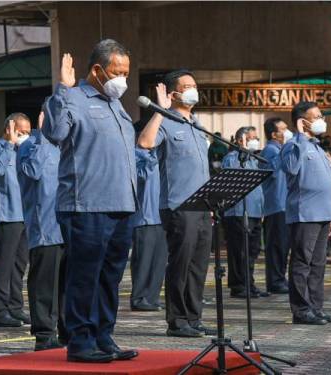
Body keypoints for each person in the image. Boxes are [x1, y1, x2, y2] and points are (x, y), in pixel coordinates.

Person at [42, 39, 138, 363]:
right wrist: (62, 91)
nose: (122, 79)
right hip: (86, 206)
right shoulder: (73, 98)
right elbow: (54, 133)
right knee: (84, 276)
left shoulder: (117, 105)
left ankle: (103, 336)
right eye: (117, 72)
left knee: (110, 277)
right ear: (97, 70)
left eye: (126, 72)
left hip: (122, 205)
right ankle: (80, 342)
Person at [138, 69, 215, 338]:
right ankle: (177, 321)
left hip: (203, 206)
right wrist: (160, 109)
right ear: (174, 94)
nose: (194, 89)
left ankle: (193, 318)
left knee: (198, 266)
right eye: (187, 86)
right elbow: (145, 142)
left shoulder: (196, 124)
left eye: (195, 84)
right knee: (181, 264)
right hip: (179, 206)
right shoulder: (166, 123)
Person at [280, 101, 331, 325]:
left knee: (318, 264)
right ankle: (301, 310)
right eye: (316, 116)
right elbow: (291, 169)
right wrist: (301, 137)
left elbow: (328, 184)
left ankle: (316, 307)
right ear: (302, 121)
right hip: (305, 213)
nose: (321, 120)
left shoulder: (316, 146)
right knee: (302, 262)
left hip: (323, 213)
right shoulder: (293, 145)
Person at [16, 109, 66, 351]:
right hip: (45, 226)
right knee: (45, 285)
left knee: (68, 284)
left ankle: (69, 331)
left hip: (69, 224)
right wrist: (45, 137)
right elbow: (33, 171)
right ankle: (45, 334)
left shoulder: (65, 145)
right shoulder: (30, 145)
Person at [0, 113, 31, 327]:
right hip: (7, 215)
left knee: (19, 264)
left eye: (28, 132)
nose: (25, 136)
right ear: (9, 129)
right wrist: (10, 144)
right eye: (21, 131)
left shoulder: (23, 151)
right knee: (4, 264)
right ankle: (1, 311)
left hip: (24, 214)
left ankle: (15, 307)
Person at [222, 126, 268, 299]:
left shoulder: (253, 159)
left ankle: (250, 283)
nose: (255, 140)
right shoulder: (232, 157)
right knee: (240, 250)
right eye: (251, 137)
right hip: (238, 211)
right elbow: (232, 178)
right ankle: (239, 285)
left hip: (255, 211)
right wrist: (240, 149)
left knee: (252, 251)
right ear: (241, 139)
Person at [129, 146, 167, 311]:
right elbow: (139, 177)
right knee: (143, 261)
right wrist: (151, 159)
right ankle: (139, 298)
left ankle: (152, 297)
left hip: (162, 215)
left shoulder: (164, 156)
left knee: (159, 261)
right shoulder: (138, 154)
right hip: (145, 216)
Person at [260, 117, 292, 294]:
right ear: (273, 134)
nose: (287, 132)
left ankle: (280, 278)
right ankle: (275, 281)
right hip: (276, 205)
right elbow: (270, 170)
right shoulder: (271, 150)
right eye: (283, 129)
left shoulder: (279, 149)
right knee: (277, 246)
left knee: (283, 245)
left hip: (285, 205)